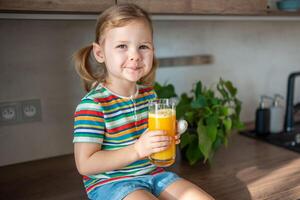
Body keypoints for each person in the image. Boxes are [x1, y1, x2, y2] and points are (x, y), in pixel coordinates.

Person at [73, 3, 214, 200]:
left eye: (143, 46)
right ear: (100, 53)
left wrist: (163, 139)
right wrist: (138, 149)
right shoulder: (93, 105)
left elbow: (149, 141)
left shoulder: (150, 95)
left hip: (154, 175)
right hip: (112, 183)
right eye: (122, 46)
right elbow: (85, 164)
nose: (135, 56)